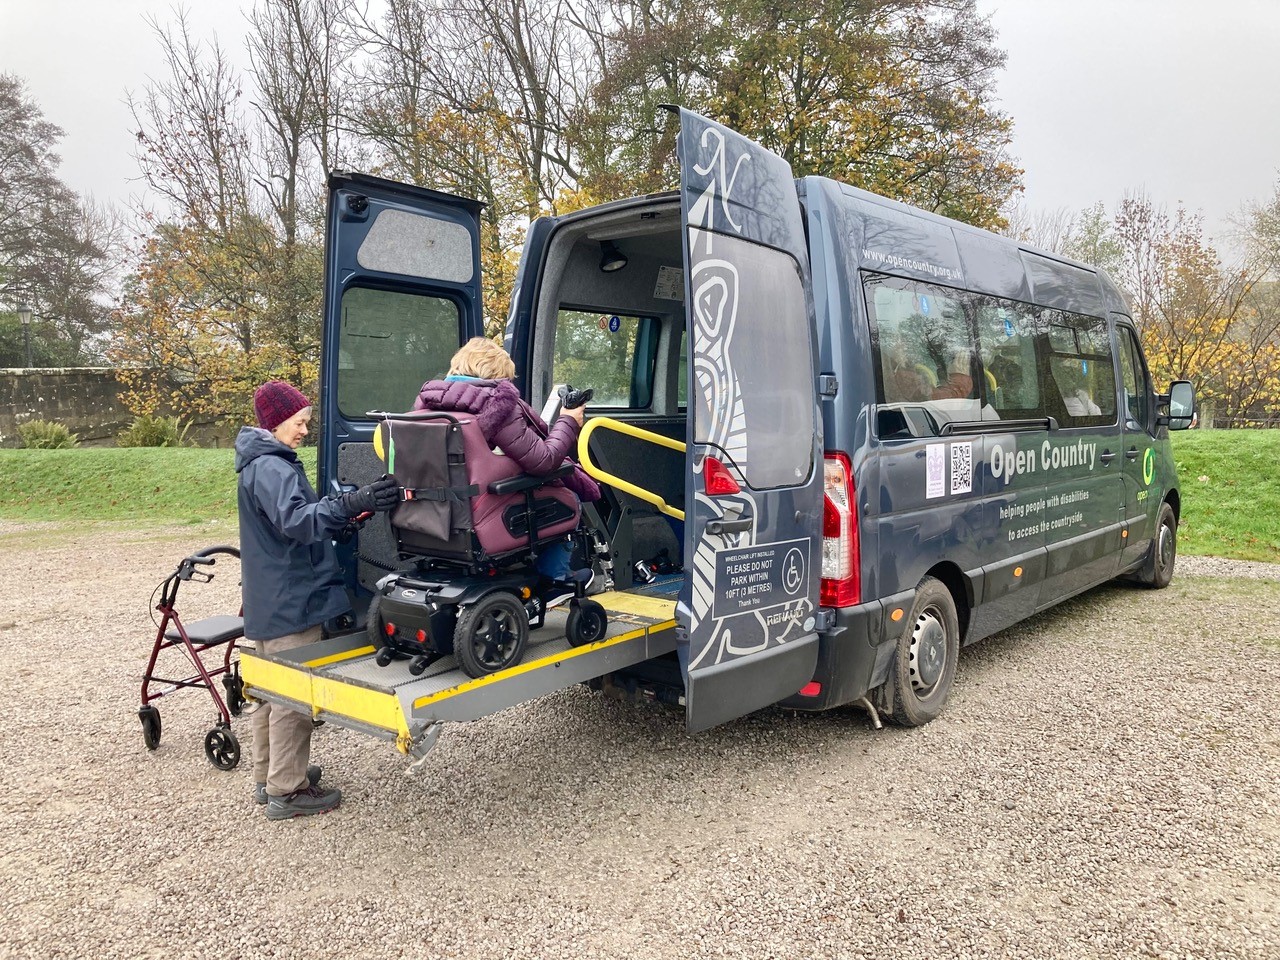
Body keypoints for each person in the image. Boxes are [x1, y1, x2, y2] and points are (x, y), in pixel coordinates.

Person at [236, 380, 398, 820]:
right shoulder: (271, 467)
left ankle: (268, 776)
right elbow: (297, 522)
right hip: (292, 600)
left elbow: (295, 523)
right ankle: (287, 791)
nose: (305, 429)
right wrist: (352, 504)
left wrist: (342, 518)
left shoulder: (261, 463)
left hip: (272, 597)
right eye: (300, 421)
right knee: (292, 699)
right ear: (276, 421)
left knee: (270, 694)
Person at [411, 338, 602, 605]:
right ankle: (555, 580)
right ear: (496, 376)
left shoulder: (427, 404)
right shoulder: (496, 403)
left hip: (431, 512)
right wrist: (569, 420)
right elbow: (545, 460)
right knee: (565, 495)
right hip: (482, 511)